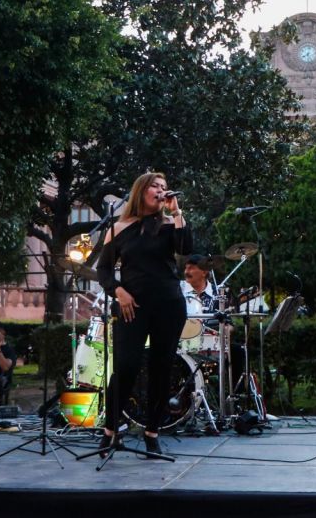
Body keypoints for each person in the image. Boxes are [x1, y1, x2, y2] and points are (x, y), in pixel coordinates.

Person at [96, 171, 192, 457]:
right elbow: (102, 269)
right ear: (142, 191)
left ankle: (152, 432)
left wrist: (177, 214)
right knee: (126, 366)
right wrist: (118, 290)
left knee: (162, 368)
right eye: (156, 186)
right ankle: (110, 431)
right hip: (131, 306)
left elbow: (186, 248)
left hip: (168, 304)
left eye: (165, 186)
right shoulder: (119, 227)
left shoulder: (169, 224)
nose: (162, 191)